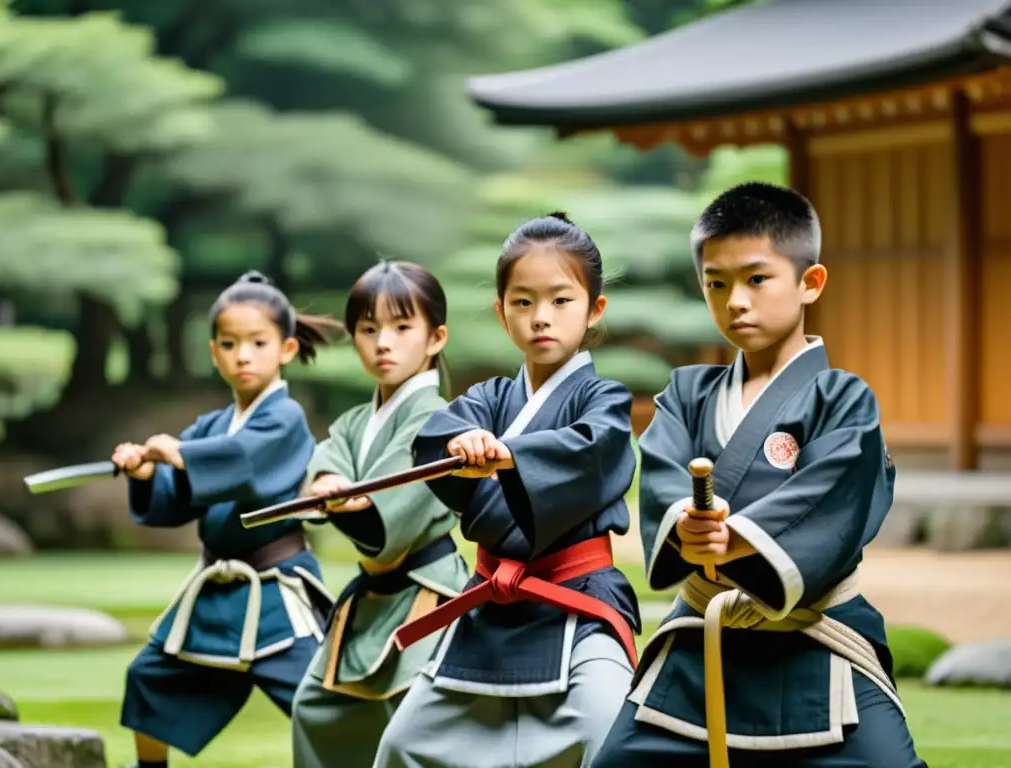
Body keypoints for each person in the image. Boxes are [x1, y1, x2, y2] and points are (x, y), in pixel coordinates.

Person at [591, 182, 925, 767]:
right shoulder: (687, 393)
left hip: (816, 642)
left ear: (809, 282)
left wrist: (737, 537)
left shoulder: (842, 399)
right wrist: (688, 528)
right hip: (701, 639)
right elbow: (666, 477)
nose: (735, 301)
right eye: (716, 284)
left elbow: (833, 497)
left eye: (756, 279)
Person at [373, 212, 641, 768]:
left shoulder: (604, 399)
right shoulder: (490, 397)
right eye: (522, 302)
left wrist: (510, 455)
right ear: (502, 313)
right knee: (403, 744)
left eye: (561, 301)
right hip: (490, 607)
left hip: (579, 602)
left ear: (595, 309)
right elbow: (435, 438)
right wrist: (463, 446)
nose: (541, 317)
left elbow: (595, 450)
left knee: (613, 736)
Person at [114, 271, 342, 768]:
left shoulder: (284, 419)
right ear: (214, 352)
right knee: (149, 676)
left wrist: (179, 453)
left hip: (277, 594)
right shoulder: (212, 426)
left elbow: (241, 463)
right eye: (229, 344)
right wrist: (147, 469)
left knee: (323, 702)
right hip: (216, 593)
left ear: (285, 349)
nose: (243, 355)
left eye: (257, 343)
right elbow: (175, 499)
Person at [291, 260, 468, 767]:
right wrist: (329, 485)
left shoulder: (437, 418)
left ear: (435, 338)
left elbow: (384, 520)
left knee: (410, 723)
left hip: (428, 595)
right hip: (373, 598)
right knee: (316, 706)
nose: (383, 342)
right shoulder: (354, 421)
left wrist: (350, 499)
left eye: (401, 327)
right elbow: (330, 460)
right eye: (368, 330)